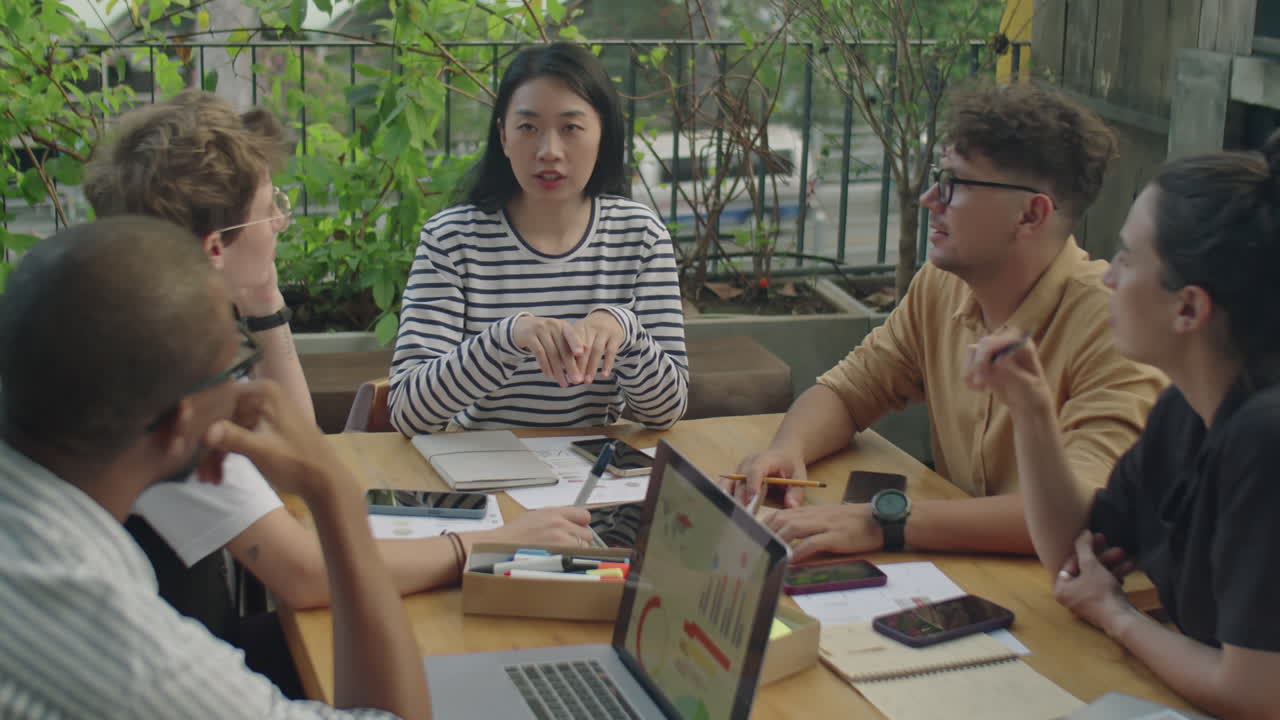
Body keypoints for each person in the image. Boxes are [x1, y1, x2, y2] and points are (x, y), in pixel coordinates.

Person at [82, 90, 592, 685]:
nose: (280, 222)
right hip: (172, 676)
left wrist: (265, 300)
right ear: (215, 247)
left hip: (178, 643)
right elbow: (305, 574)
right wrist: (488, 546)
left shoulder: (160, 320)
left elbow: (299, 452)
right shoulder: (160, 379)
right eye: (271, 208)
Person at [0, 216, 429, 719]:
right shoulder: (106, 637)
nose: (247, 388)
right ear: (181, 421)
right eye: (234, 367)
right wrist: (333, 492)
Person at [726, 82, 1165, 560]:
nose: (930, 198)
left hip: (1077, 604)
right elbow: (851, 390)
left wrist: (882, 521)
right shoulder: (941, 285)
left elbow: (1080, 512)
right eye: (940, 177)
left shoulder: (1114, 326)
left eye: (956, 184)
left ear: (1031, 214)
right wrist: (788, 449)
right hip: (972, 569)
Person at [965, 133, 1280, 718]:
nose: (1109, 277)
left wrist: (1116, 614)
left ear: (1188, 308)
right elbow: (1077, 554)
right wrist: (1032, 411)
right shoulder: (1186, 411)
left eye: (1129, 257)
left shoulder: (1266, 441)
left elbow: (1256, 692)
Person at [388, 42, 688, 434]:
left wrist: (625, 332)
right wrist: (505, 338)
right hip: (480, 482)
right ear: (503, 136)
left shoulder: (640, 235)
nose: (549, 151)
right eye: (528, 127)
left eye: (571, 128)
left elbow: (665, 413)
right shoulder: (451, 239)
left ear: (604, 135)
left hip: (592, 482)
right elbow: (408, 415)